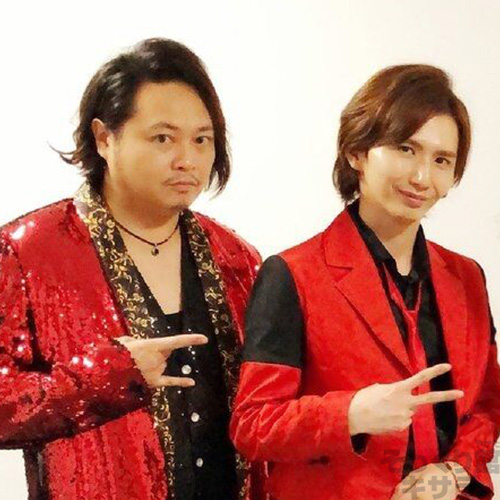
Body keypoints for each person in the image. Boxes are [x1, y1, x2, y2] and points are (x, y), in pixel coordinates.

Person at [0, 38, 265, 500]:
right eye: (163, 138)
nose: (187, 159)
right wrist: (106, 375)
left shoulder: (237, 258)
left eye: (201, 140)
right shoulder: (27, 252)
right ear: (105, 138)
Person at [230, 64, 500, 500]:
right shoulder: (292, 274)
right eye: (405, 149)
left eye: (441, 160)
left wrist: (451, 474)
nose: (421, 177)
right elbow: (253, 425)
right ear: (356, 151)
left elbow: (486, 406)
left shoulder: (466, 276)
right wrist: (351, 413)